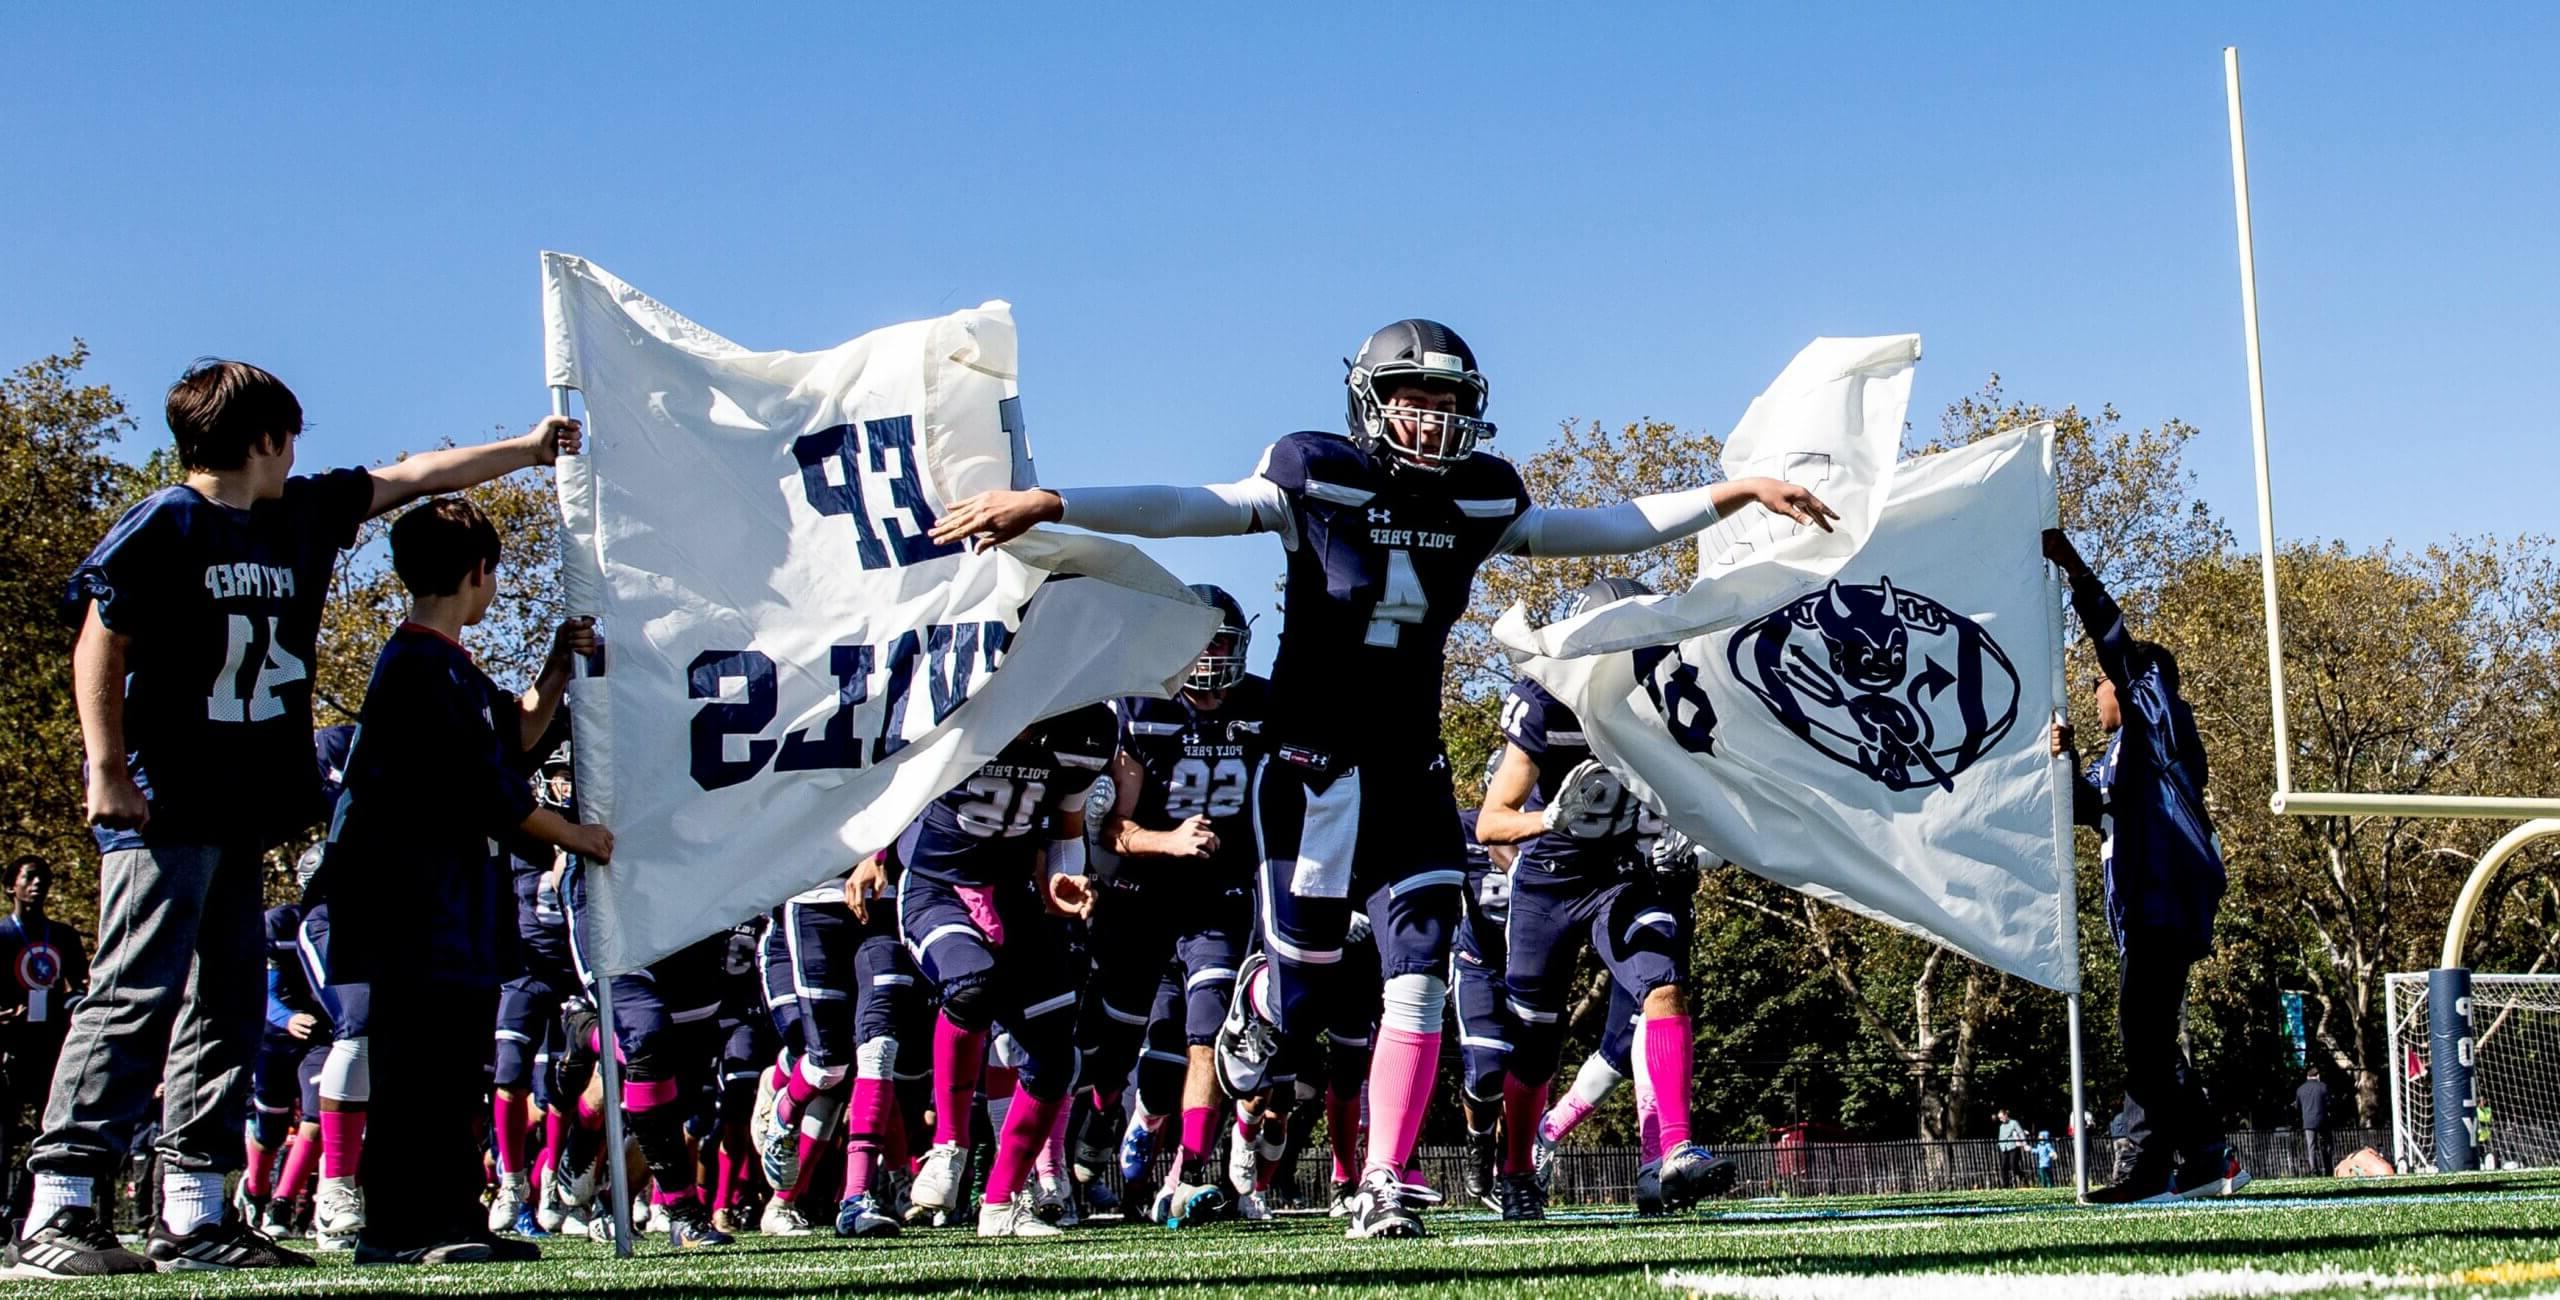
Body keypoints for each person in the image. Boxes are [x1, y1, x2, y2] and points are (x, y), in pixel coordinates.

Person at [927, 318, 1834, 1238]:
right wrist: (1052, 502)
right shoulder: (1314, 477)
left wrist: (1736, 494)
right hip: (1311, 767)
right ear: (1370, 400)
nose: (1433, 421)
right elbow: (1186, 504)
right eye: (1414, 400)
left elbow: (1599, 528)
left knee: (1417, 970)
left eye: (1447, 404)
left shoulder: (1480, 498)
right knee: (1308, 987)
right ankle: (1261, 1003)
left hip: (1410, 766)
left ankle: (1384, 1181)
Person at [11, 359, 581, 1279]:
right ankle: (64, 1201)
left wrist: (523, 451)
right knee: (134, 991)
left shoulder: (297, 517)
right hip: (166, 803)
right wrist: (107, 768)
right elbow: (102, 637)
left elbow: (412, 479)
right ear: (268, 438)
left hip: (240, 811)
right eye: (291, 440)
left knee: (227, 1003)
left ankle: (196, 1210)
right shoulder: (169, 521)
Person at [313, 496, 608, 1264]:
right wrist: (580, 836)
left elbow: (513, 736)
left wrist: (554, 667)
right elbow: (492, 795)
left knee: (454, 1069)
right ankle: (408, 1227)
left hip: (455, 909)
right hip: (415, 906)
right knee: (421, 1072)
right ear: (480, 573)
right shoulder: (416, 667)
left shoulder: (450, 666)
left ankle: (450, 1216)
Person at [1476, 577, 1736, 1221]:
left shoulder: (1674, 699)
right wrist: (1549, 819)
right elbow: (1492, 823)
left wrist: (1697, 840)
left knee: (1663, 984)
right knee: (1535, 1045)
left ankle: (1672, 1152)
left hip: (1627, 873)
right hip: (1551, 881)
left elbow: (1726, 797)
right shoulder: (1546, 704)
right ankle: (1515, 1170)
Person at [2045, 528, 2247, 1205]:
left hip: (2166, 902)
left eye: (2100, 682)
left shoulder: (2160, 723)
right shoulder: (2120, 756)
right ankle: (2207, 1157)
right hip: (2142, 913)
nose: (2096, 689)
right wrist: (2065, 758)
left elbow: (2120, 648)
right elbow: (2085, 807)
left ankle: (2146, 1163)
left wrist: (2073, 564)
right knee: (2152, 1038)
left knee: (2141, 1035)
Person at [887, 707, 1116, 1238]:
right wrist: (873, 855)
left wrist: (1064, 877)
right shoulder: (951, 708)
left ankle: (1001, 1202)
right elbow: (885, 788)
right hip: (937, 885)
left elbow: (1066, 825)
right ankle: (949, 1144)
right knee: (972, 985)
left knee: (1057, 1059)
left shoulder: (1084, 725)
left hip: (1017, 896)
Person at [1079, 587, 1267, 1228]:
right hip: (1140, 895)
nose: (1213, 657)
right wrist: (1168, 841)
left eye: (1223, 641)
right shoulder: (1140, 707)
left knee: (1211, 1028)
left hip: (1219, 896)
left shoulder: (1263, 706)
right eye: (1202, 641)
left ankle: (1185, 1175)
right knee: (1120, 1045)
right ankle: (1108, 1117)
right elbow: (1111, 829)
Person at [0, 855, 89, 1224]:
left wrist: (72, 1006)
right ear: (11, 886)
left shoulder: (63, 937)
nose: (39, 884)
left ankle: (28, 1205)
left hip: (51, 1048)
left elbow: (84, 984)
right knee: (3, 1132)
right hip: (8, 1048)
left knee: (48, 1127)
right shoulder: (3, 935)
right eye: (31, 877)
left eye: (45, 878)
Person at [2296, 1068, 2333, 1176]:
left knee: (2311, 1146)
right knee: (2326, 1145)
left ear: (2307, 1076)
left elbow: (2297, 1106)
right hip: (2322, 1120)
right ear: (2318, 1076)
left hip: (2308, 1122)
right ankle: (2328, 1169)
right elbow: (2329, 1103)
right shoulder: (2322, 1086)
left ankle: (2314, 1170)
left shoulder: (2300, 1089)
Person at [1995, 1109, 2028, 1188]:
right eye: (1999, 1118)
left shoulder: (2014, 1123)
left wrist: (2025, 1144)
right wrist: (1999, 1144)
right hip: (2004, 1148)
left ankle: (2022, 1177)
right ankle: (2005, 1185)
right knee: (2003, 1166)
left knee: (2013, 1165)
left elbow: (2020, 1133)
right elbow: (2000, 1137)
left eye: (2002, 1117)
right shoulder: (2001, 1126)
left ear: (2006, 1115)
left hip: (2013, 1146)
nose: (2001, 1119)